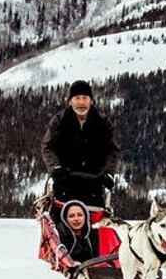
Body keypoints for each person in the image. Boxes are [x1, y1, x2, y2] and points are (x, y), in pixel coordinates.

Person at [42, 80, 120, 209]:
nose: (81, 102)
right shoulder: (59, 121)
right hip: (64, 180)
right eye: (77, 98)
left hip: (95, 182)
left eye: (85, 98)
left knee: (95, 224)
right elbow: (48, 147)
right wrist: (55, 168)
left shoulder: (102, 122)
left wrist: (109, 172)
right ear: (70, 101)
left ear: (91, 101)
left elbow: (112, 150)